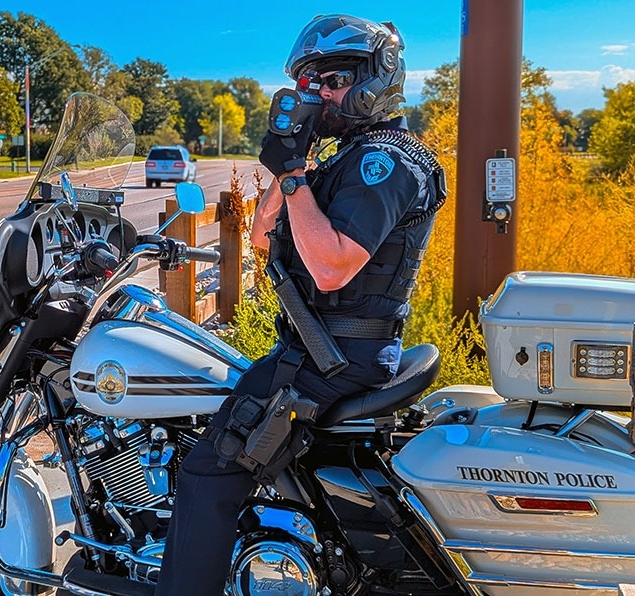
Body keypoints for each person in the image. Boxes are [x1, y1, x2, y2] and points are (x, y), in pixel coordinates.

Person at [155, 14, 446, 596]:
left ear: (376, 79)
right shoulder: (343, 159)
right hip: (320, 349)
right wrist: (291, 166)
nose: (317, 94)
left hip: (334, 357)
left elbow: (332, 264)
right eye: (307, 83)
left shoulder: (383, 163)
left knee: (208, 472)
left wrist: (294, 174)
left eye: (332, 79)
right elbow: (264, 237)